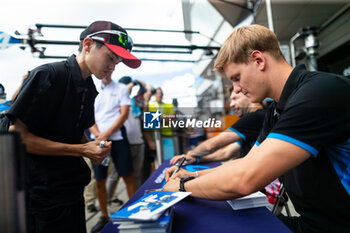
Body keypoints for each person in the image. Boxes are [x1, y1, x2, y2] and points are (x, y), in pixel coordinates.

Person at [163, 24, 350, 233]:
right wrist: (191, 177)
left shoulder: (317, 94)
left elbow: (245, 179)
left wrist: (182, 187)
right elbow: (245, 162)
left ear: (259, 60)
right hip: (314, 224)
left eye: (236, 78)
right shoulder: (275, 110)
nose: (236, 90)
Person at [7, 20, 141, 233]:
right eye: (110, 57)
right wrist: (81, 150)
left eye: (117, 62)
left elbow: (75, 132)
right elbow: (19, 138)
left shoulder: (90, 88)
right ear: (87, 44)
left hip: (71, 189)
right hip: (41, 195)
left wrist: (92, 147)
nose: (112, 66)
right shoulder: (48, 75)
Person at [89, 72, 137, 232]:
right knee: (99, 179)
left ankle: (136, 213)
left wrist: (106, 134)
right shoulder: (92, 89)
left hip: (117, 138)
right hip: (98, 141)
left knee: (127, 175)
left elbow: (123, 114)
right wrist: (98, 135)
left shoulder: (121, 88)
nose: (106, 70)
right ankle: (104, 215)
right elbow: (88, 117)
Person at [170, 89, 264, 165]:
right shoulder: (255, 120)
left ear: (248, 95)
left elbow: (210, 145)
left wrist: (189, 154)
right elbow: (226, 153)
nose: (231, 104)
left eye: (235, 98)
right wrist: (196, 159)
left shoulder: (254, 117)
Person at [147, 87, 175, 160]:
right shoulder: (150, 106)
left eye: (161, 93)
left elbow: (172, 117)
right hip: (155, 138)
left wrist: (155, 118)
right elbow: (148, 121)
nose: (159, 95)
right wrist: (164, 118)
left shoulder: (169, 105)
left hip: (168, 136)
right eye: (157, 93)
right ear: (154, 95)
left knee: (169, 159)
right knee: (158, 160)